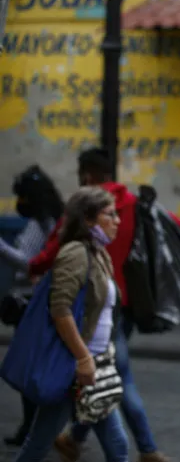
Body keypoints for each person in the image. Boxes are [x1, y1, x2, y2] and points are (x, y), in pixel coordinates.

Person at [28, 148, 180, 462]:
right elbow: (179, 226)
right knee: (107, 386)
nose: (114, 220)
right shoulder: (132, 207)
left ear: (87, 175)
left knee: (116, 388)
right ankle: (116, 443)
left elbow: (51, 253)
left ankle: (138, 446)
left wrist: (34, 267)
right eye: (109, 216)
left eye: (115, 215)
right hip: (113, 317)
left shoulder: (93, 226)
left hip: (98, 321)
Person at [13, 186, 128, 462]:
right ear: (88, 219)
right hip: (75, 367)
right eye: (109, 215)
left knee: (117, 447)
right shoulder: (76, 253)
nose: (118, 221)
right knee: (39, 444)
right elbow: (60, 309)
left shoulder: (99, 252)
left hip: (95, 365)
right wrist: (83, 357)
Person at [1, 166, 64, 446]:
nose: (20, 203)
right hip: (28, 300)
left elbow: (32, 262)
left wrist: (1, 249)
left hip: (33, 302)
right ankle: (35, 428)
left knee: (29, 369)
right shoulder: (40, 221)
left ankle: (36, 429)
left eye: (23, 198)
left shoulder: (45, 223)